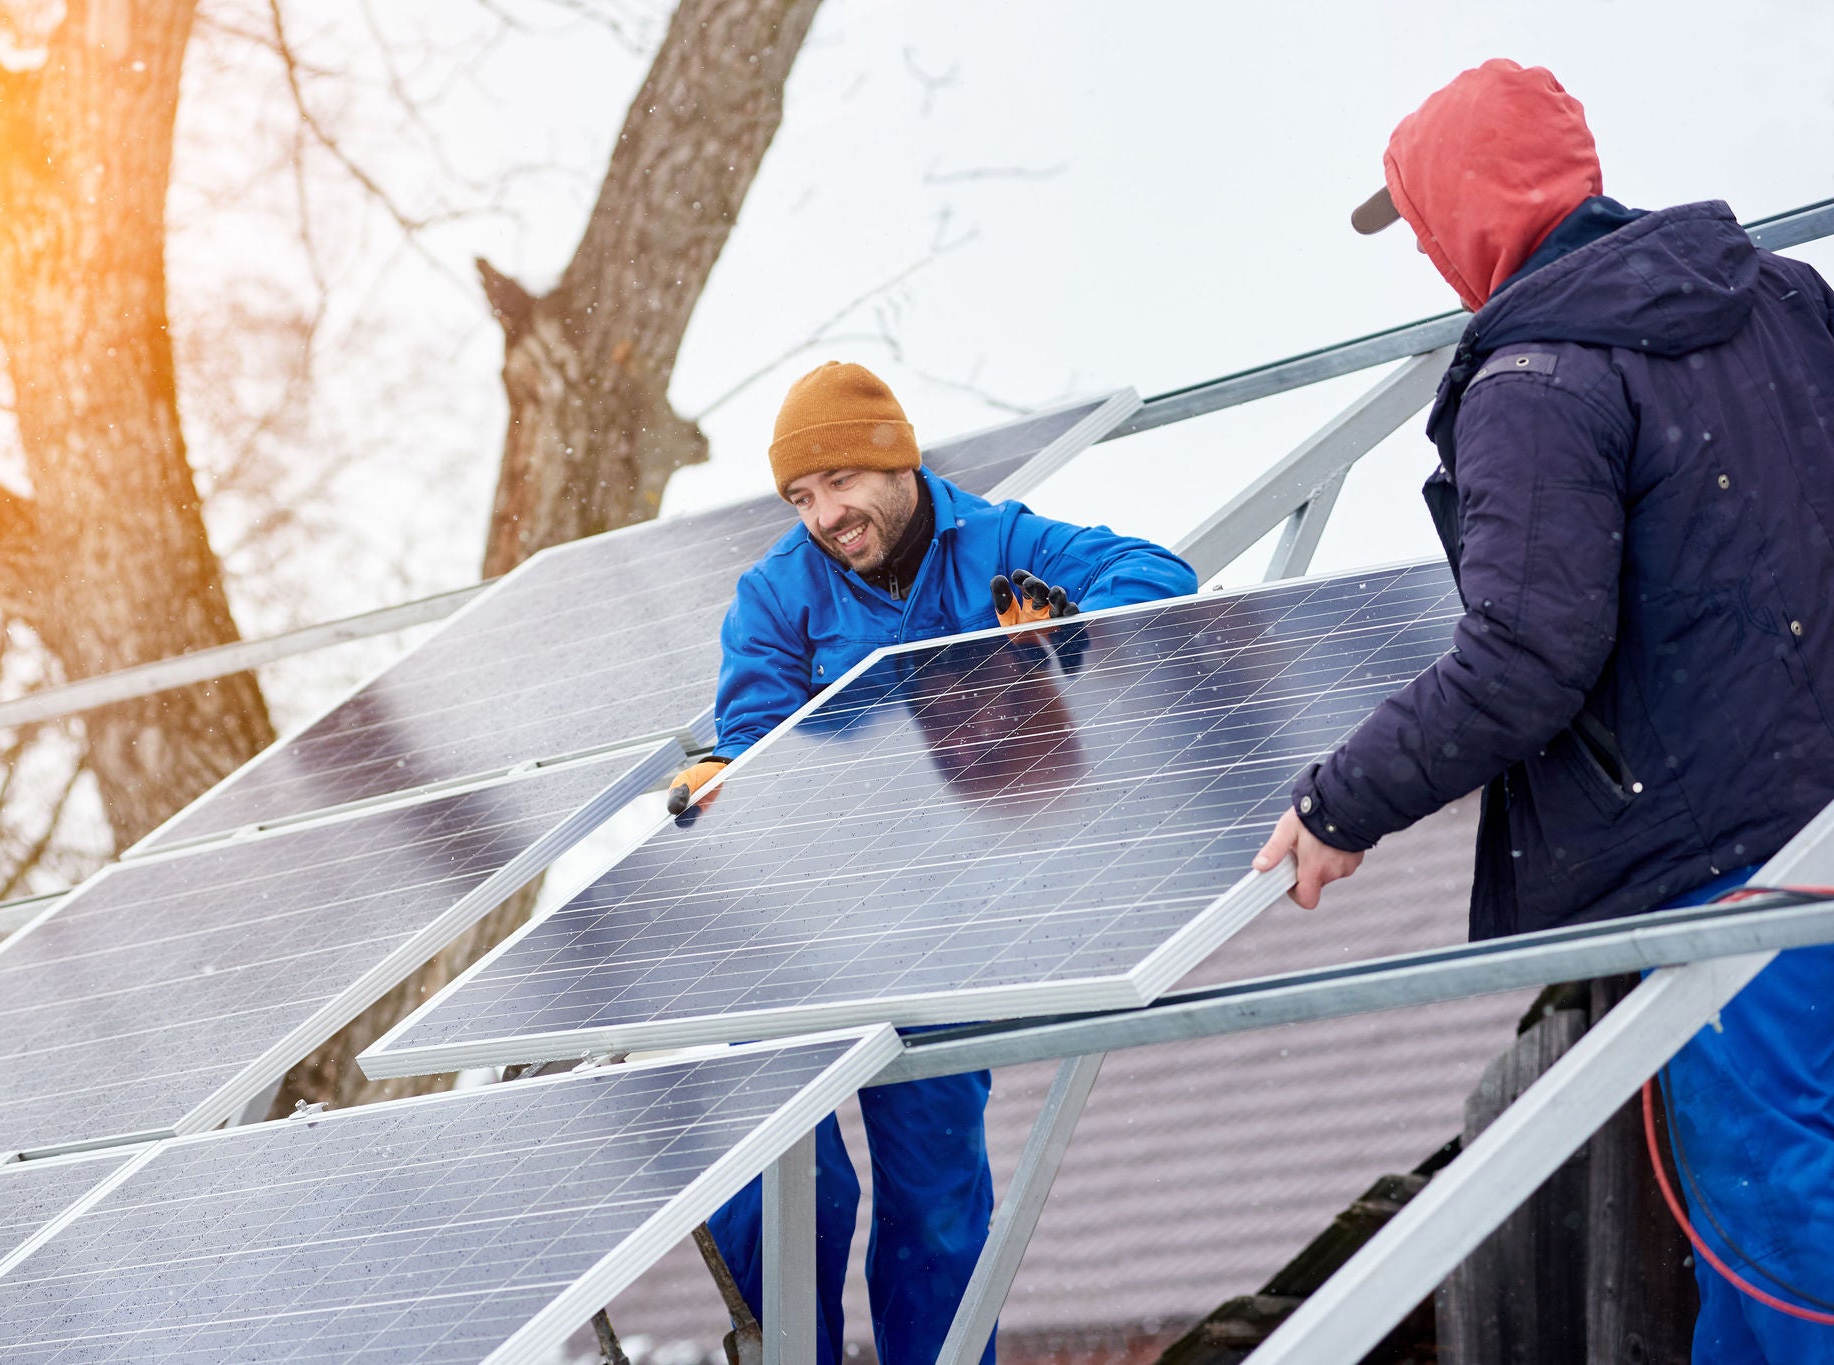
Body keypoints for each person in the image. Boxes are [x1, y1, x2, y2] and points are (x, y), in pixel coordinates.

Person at [1251, 59, 1834, 1362]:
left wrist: (1341, 801)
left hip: (1726, 868)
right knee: (1769, 1232)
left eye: (1418, 222)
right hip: (1822, 823)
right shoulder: (1783, 300)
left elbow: (1524, 652)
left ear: (1468, 211)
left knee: (1781, 1228)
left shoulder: (1539, 379)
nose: (1424, 256)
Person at [687, 360, 1195, 1365]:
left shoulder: (1001, 543)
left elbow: (1156, 576)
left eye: (837, 482)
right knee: (781, 1182)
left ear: (893, 458)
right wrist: (722, 771)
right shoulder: (774, 595)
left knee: (933, 1199)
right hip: (804, 927)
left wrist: (1069, 624)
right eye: (801, 496)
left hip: (941, 928)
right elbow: (752, 738)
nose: (823, 514)